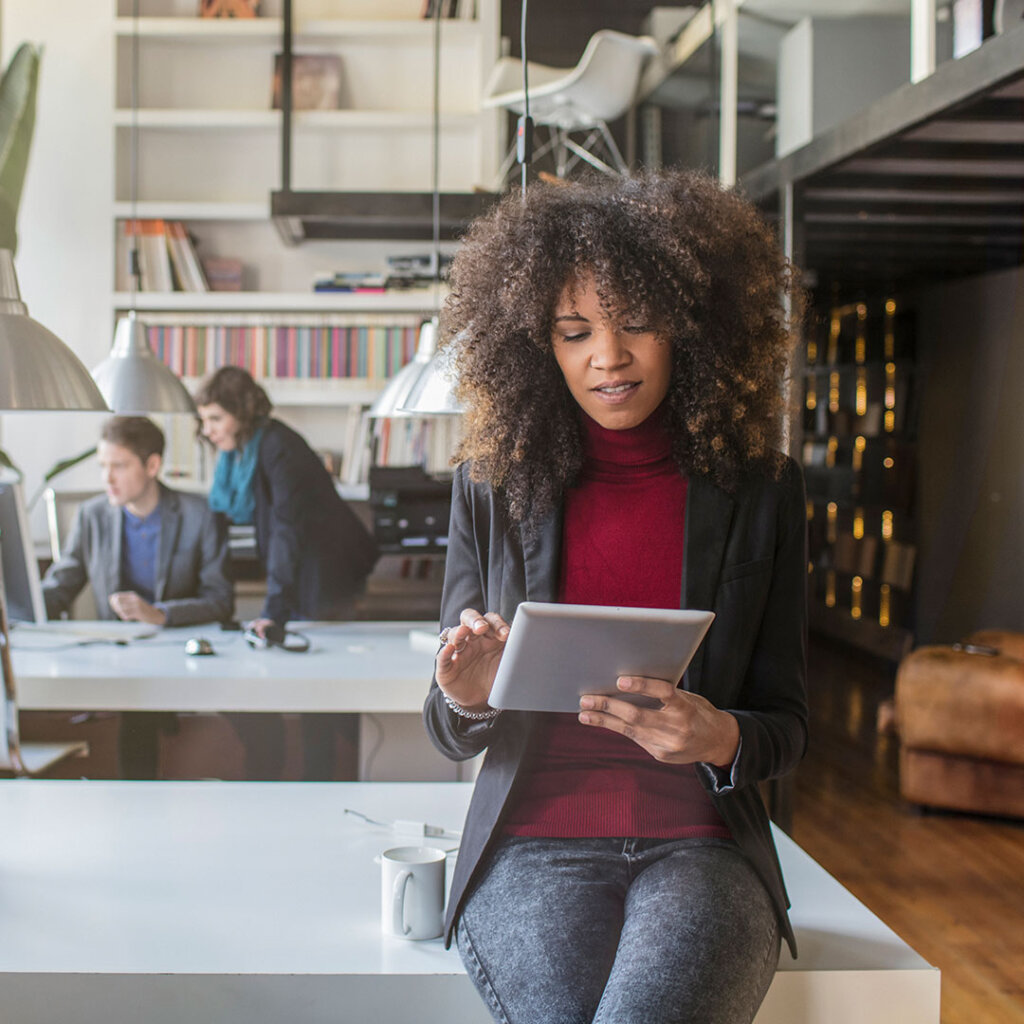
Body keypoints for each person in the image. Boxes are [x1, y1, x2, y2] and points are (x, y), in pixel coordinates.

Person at [423, 170, 808, 1024]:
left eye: (639, 322)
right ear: (535, 345)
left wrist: (718, 735)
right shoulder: (489, 488)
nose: (609, 357)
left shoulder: (764, 492)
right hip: (531, 845)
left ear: (693, 328)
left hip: (702, 849)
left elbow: (788, 723)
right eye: (574, 332)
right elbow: (448, 726)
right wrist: (467, 692)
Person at [194, 367, 379, 779]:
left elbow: (285, 529)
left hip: (326, 572)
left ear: (241, 412)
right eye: (204, 420)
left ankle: (328, 782)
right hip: (306, 568)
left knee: (320, 690)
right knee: (313, 684)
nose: (207, 430)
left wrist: (273, 610)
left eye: (215, 419)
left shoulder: (277, 446)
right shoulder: (246, 450)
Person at [42, 415, 233, 778]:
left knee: (141, 718)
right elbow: (61, 585)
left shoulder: (200, 516)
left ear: (152, 465)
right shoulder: (92, 515)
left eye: (118, 466)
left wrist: (160, 614)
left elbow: (221, 600)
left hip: (177, 653)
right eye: (103, 466)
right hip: (117, 659)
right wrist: (22, 611)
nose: (107, 478)